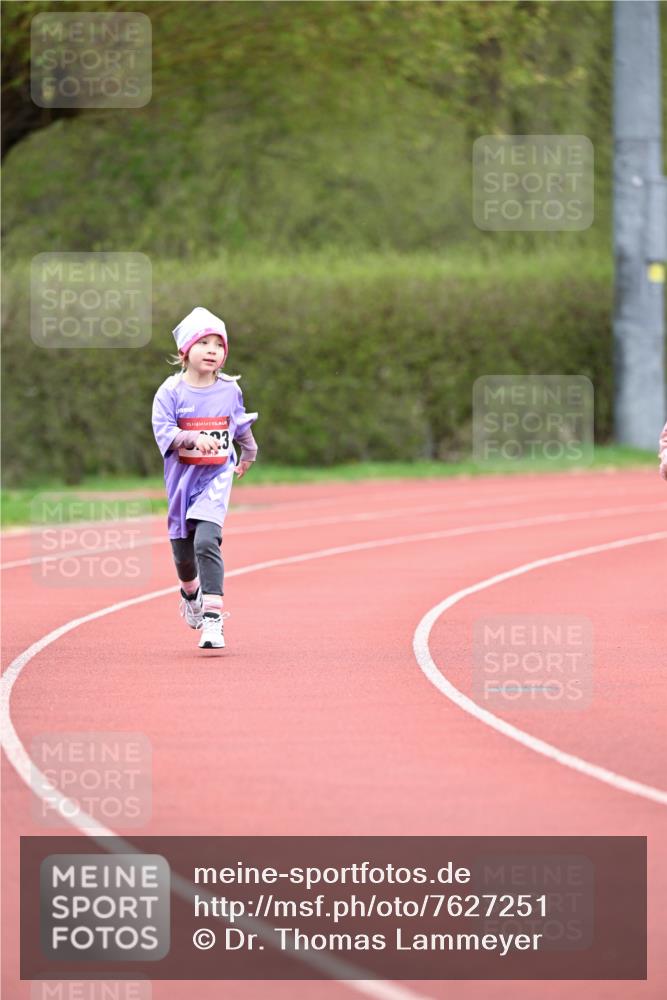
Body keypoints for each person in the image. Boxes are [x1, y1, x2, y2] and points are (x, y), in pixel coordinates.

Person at [151, 306, 258, 649]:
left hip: (216, 476)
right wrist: (191, 438)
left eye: (219, 344)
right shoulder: (170, 392)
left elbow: (237, 423)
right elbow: (163, 430)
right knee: (183, 554)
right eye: (203, 343)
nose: (212, 350)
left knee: (206, 541)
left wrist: (249, 451)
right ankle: (190, 594)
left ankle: (213, 619)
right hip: (181, 481)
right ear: (185, 350)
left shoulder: (229, 389)